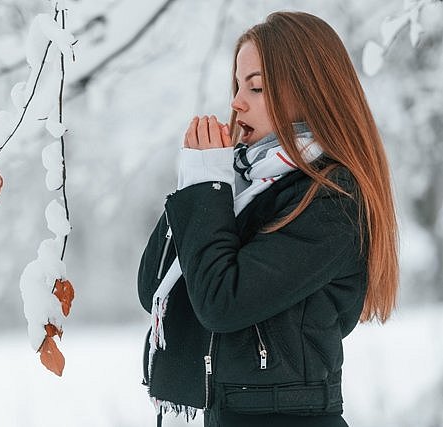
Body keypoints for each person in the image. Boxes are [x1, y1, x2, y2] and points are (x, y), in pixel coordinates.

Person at [137, 10, 399, 427]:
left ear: (310, 91)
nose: (236, 102)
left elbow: (223, 301)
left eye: (256, 87)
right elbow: (153, 285)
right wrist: (198, 184)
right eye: (238, 85)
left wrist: (208, 190)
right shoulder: (242, 185)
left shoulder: (332, 197)